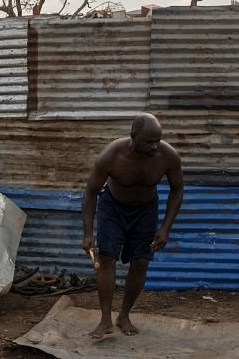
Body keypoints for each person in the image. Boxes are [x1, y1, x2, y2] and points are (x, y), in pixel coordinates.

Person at [81, 113, 183, 339]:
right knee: (106, 258)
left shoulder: (168, 157)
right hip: (113, 207)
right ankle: (105, 319)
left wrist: (166, 227)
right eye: (148, 141)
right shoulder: (111, 156)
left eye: (158, 140)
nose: (155, 146)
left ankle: (124, 316)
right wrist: (88, 232)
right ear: (133, 137)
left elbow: (177, 189)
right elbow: (90, 192)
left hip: (146, 210)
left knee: (140, 263)